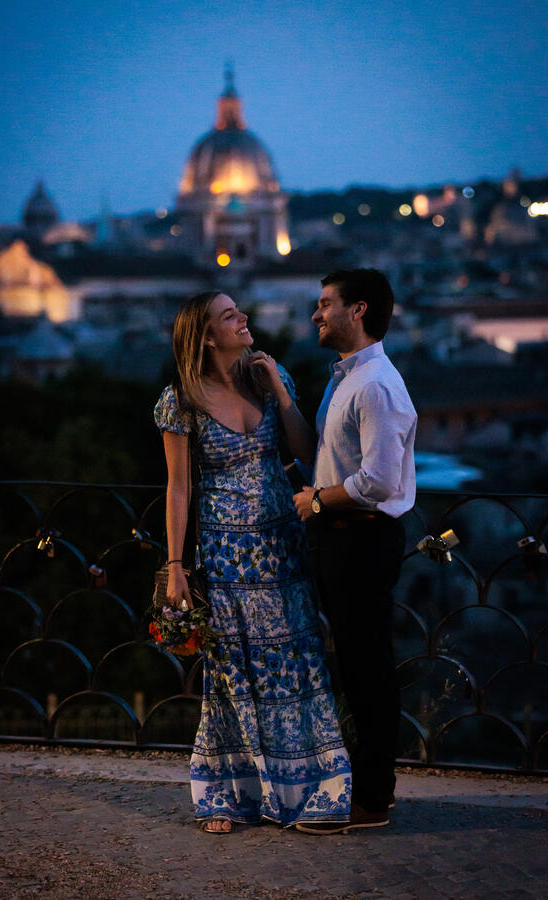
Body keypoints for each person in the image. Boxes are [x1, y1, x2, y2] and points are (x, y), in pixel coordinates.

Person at [154, 291, 352, 835]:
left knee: (294, 663)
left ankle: (313, 787)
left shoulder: (270, 375)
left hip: (283, 546)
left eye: (240, 311)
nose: (243, 320)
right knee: (234, 671)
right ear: (208, 336)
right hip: (225, 555)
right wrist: (175, 565)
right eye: (229, 316)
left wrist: (281, 396)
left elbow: (304, 452)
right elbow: (178, 488)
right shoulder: (181, 401)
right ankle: (230, 793)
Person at [293, 269, 417, 830]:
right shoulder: (347, 378)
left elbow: (380, 481)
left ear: (358, 310)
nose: (316, 315)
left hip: (362, 536)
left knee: (368, 670)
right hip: (345, 537)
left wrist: (316, 503)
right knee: (358, 665)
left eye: (325, 304)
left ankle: (372, 798)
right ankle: (364, 790)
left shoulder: (374, 385)